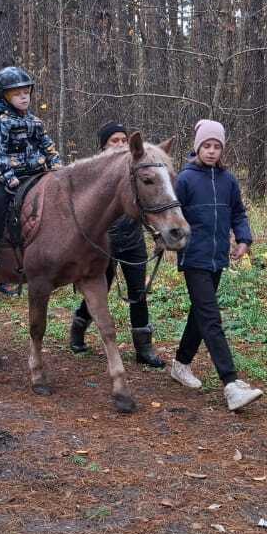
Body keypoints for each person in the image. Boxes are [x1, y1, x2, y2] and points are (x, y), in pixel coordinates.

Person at [168, 119, 263, 411]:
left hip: (217, 257)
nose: (211, 151)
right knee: (211, 317)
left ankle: (181, 364)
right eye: (206, 146)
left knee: (200, 313)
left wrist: (243, 238)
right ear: (197, 147)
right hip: (193, 256)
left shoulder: (228, 180)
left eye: (216, 146)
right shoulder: (184, 179)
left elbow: (238, 212)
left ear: (222, 149)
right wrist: (171, 240)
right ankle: (231, 384)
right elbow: (170, 215)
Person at [67, 121, 164, 368]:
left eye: (123, 140)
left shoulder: (134, 171)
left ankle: (144, 348)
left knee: (138, 293)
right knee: (100, 292)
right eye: (114, 141)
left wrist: (157, 235)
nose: (120, 144)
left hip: (132, 243)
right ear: (103, 146)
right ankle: (78, 330)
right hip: (102, 245)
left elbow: (147, 206)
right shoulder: (94, 176)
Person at [0, 67, 62, 275]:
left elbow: (47, 145)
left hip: (38, 172)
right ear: (4, 96)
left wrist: (57, 165)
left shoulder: (35, 121)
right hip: (12, 175)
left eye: (26, 92)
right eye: (17, 94)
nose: (23, 97)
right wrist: (8, 176)